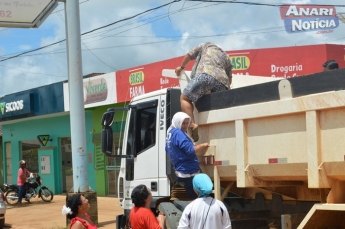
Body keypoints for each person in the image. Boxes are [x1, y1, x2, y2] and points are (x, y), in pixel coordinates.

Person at [175, 42, 232, 142]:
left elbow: (189, 55)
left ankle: (192, 124)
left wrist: (181, 67)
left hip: (205, 75)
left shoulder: (206, 45)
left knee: (185, 98)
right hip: (223, 83)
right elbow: (229, 79)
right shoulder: (227, 57)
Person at [166, 112, 209, 199]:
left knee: (192, 197)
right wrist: (203, 145)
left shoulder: (170, 133)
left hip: (181, 169)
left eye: (187, 123)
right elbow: (190, 149)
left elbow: (167, 149)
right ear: (178, 122)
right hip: (188, 171)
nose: (185, 126)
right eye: (183, 123)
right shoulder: (178, 133)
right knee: (198, 197)